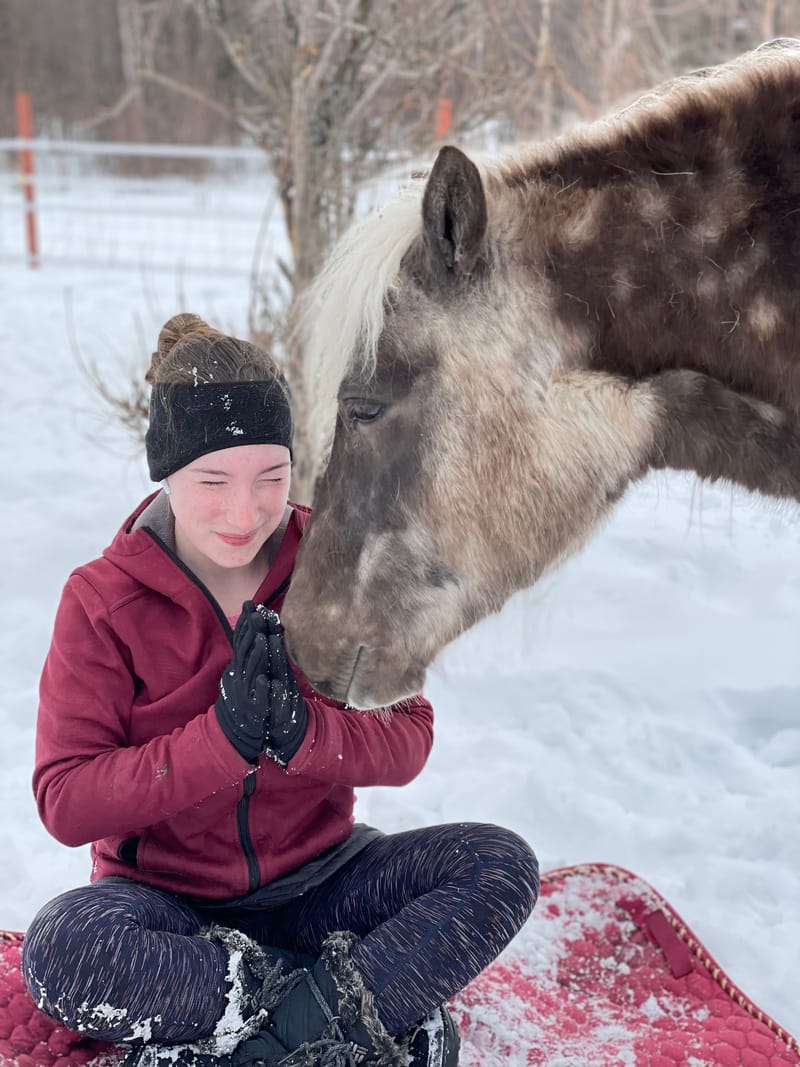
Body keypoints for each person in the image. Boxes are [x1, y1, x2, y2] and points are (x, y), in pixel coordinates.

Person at [22, 314, 540, 1067]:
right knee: (62, 950)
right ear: (165, 471)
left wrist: (307, 735)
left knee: (498, 864)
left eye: (272, 477)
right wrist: (218, 745)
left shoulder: (333, 561)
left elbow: (410, 735)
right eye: (213, 481)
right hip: (170, 910)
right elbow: (67, 800)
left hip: (324, 885)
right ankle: (351, 1013)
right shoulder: (102, 600)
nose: (245, 512)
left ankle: (256, 1035)